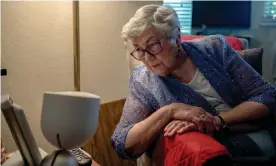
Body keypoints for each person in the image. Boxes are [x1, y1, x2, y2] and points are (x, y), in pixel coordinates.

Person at [111, 4, 276, 165]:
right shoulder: (142, 80)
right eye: (138, 49)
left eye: (153, 45)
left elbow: (268, 95)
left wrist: (218, 120)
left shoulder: (215, 48)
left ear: (177, 37)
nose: (146, 58)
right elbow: (122, 141)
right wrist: (170, 110)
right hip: (205, 152)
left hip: (258, 136)